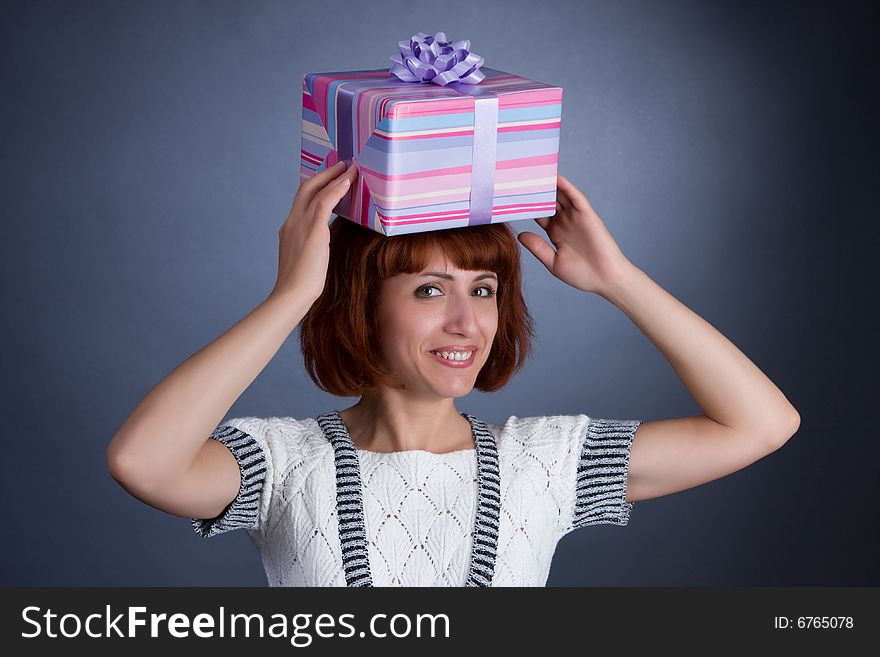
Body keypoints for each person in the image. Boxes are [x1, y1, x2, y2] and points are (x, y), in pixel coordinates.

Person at [106, 160, 800, 586]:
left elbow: (762, 423)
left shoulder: (545, 463)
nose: (468, 323)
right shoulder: (284, 463)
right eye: (430, 290)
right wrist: (292, 294)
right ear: (362, 304)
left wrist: (618, 279)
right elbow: (143, 462)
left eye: (485, 288)